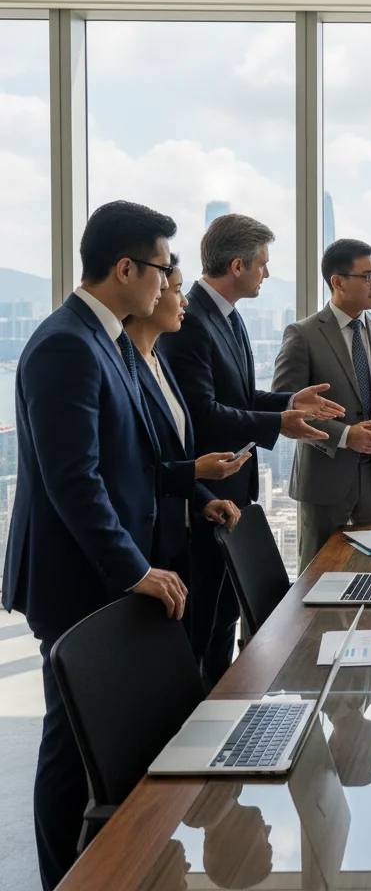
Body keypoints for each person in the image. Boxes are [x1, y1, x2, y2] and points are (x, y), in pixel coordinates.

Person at [0, 200, 190, 891]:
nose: (169, 284)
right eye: (165, 269)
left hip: (100, 571)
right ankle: (63, 879)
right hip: (70, 577)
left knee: (88, 746)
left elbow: (128, 461)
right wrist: (135, 568)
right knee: (68, 751)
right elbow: (73, 480)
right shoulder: (65, 345)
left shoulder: (103, 340)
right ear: (125, 268)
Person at [161, 214, 344, 685]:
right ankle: (197, 729)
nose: (267, 272)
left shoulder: (229, 316)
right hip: (204, 494)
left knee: (223, 621)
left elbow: (238, 399)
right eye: (262, 264)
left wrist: (288, 403)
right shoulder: (190, 321)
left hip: (234, 493)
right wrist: (277, 422)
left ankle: (221, 717)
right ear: (237, 265)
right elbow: (200, 412)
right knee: (201, 628)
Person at [272, 238, 371, 572]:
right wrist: (344, 435)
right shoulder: (303, 334)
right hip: (324, 481)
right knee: (318, 580)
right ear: (337, 282)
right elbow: (285, 410)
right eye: (367, 276)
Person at [124, 254, 245, 606]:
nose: (184, 301)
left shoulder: (159, 360)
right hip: (146, 545)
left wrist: (205, 498)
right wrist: (196, 470)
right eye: (175, 290)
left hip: (179, 535)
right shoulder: (121, 366)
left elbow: (169, 454)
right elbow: (131, 468)